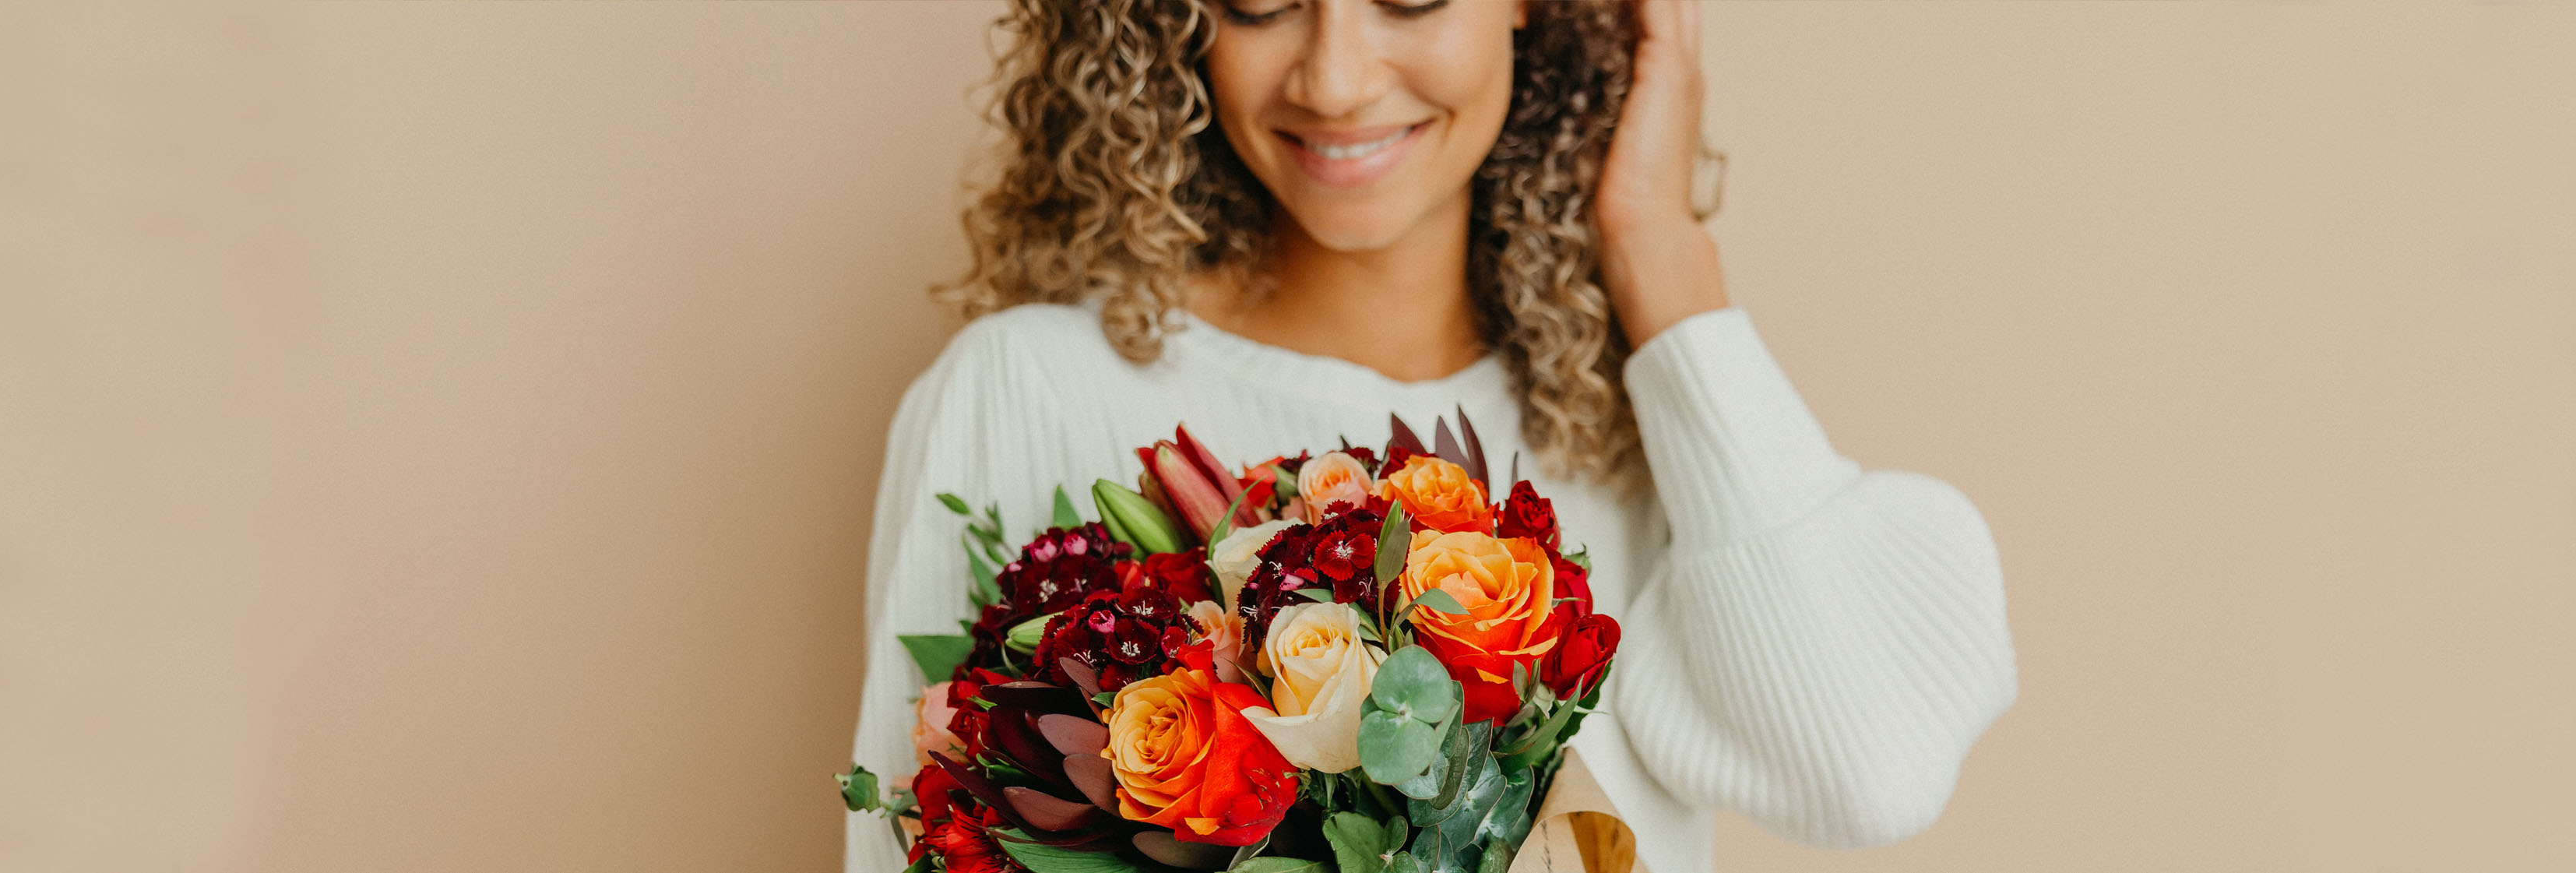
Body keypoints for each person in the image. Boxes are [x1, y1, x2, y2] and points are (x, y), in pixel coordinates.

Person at [848, 2, 2016, 869]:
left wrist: (1659, 250)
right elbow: (913, 840)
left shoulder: (1637, 423)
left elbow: (1869, 770)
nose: (1339, 76)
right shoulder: (1032, 390)